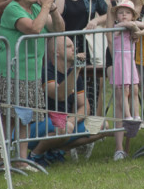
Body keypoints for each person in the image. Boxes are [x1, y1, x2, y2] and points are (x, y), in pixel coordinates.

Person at [0, 0, 66, 167]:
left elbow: (59, 29)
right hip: (11, 73)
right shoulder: (13, 9)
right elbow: (34, 29)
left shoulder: (37, 8)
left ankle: (22, 161)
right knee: (8, 118)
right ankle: (5, 160)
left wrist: (52, 8)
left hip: (32, 74)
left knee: (24, 119)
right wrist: (45, 8)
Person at [28, 37, 106, 165]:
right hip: (40, 124)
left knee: (102, 125)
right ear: (56, 52)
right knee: (63, 128)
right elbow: (60, 95)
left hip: (65, 124)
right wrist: (76, 69)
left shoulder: (73, 74)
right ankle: (35, 155)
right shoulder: (46, 72)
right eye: (69, 47)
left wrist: (71, 120)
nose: (74, 49)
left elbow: (84, 106)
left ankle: (57, 150)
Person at [108, 0, 144, 161]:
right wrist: (133, 26)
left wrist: (138, 31)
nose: (124, 15)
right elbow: (120, 28)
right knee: (124, 90)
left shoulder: (131, 25)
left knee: (134, 90)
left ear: (133, 15)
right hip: (120, 63)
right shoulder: (117, 27)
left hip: (130, 62)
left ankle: (136, 114)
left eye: (127, 12)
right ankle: (127, 115)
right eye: (121, 12)